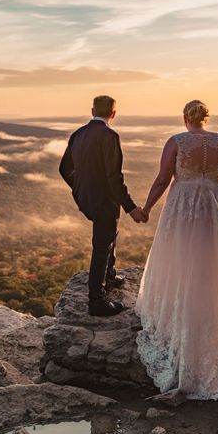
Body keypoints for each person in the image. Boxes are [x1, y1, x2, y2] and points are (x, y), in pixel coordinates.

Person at [135, 99, 218, 399]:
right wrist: (213, 186)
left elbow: (164, 178)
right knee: (214, 264)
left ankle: (181, 323)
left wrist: (147, 208)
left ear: (185, 117)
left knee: (181, 257)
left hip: (183, 204)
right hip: (215, 204)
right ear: (206, 117)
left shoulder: (176, 141)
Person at [59, 95, 146, 317]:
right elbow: (114, 178)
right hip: (104, 199)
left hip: (85, 197)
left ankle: (109, 276)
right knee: (102, 246)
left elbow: (63, 168)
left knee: (108, 234)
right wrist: (131, 208)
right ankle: (96, 301)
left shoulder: (78, 134)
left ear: (92, 110)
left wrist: (80, 187)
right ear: (113, 113)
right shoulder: (110, 136)